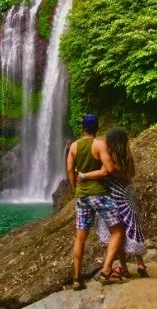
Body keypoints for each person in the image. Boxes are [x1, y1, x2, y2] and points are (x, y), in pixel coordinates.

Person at [78, 126, 149, 278]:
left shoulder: (109, 158)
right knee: (132, 227)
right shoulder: (127, 157)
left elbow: (104, 172)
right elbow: (132, 173)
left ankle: (123, 267)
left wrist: (84, 175)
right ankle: (141, 264)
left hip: (114, 196)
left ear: (111, 142)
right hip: (129, 195)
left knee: (116, 232)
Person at [67, 114, 123, 290]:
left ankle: (76, 278)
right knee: (118, 229)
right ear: (97, 128)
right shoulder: (99, 144)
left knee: (80, 237)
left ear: (83, 128)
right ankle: (106, 270)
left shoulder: (74, 146)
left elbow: (69, 169)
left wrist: (73, 188)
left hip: (81, 196)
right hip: (99, 194)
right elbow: (109, 169)